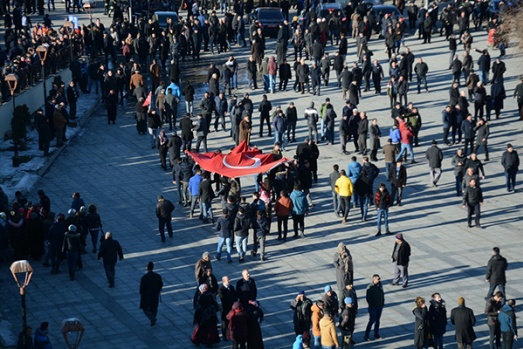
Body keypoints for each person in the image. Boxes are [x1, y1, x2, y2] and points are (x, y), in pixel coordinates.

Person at [139, 261, 163, 327]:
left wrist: (141, 293)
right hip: (155, 294)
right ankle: (153, 318)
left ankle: (152, 318)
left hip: (146, 296)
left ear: (147, 268)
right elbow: (161, 285)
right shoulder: (157, 276)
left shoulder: (144, 278)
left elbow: (142, 288)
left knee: (145, 308)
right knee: (154, 307)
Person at [364, 274, 384, 342]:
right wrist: (371, 305)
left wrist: (382, 303)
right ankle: (366, 335)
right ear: (374, 279)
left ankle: (376, 334)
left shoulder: (380, 285)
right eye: (378, 279)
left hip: (379, 306)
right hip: (373, 307)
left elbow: (382, 294)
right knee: (371, 321)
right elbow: (368, 298)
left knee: (377, 321)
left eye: (379, 279)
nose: (379, 280)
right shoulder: (370, 287)